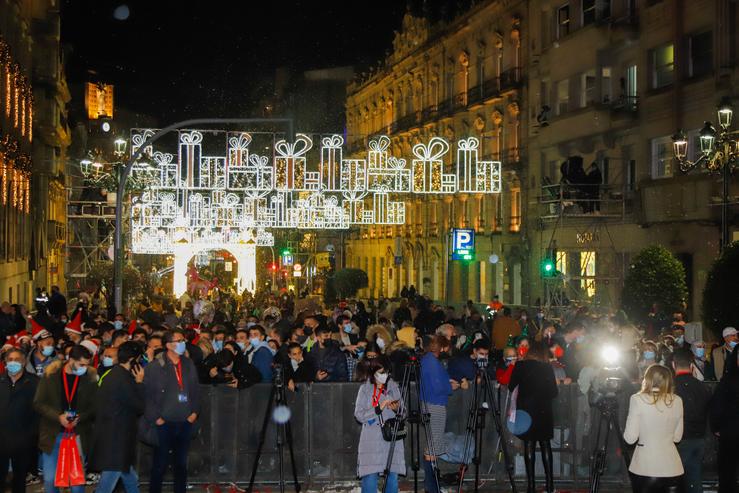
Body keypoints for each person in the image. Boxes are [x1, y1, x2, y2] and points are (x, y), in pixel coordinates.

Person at [33, 345, 97, 493]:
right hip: (53, 433)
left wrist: (81, 417)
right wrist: (58, 417)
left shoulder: (90, 378)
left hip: (78, 434)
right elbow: (38, 403)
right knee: (50, 480)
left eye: (87, 365)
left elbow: (95, 407)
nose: (84, 368)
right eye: (81, 364)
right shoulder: (51, 375)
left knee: (77, 481)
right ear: (70, 359)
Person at [143, 329, 200, 493]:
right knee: (159, 465)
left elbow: (196, 390)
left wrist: (194, 412)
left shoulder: (188, 364)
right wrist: (156, 418)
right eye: (179, 340)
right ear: (168, 345)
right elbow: (147, 395)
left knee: (181, 465)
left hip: (185, 421)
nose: (183, 343)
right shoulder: (155, 367)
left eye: (183, 340)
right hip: (164, 423)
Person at [90, 342, 145, 493]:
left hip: (114, 437)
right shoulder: (123, 379)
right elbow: (139, 406)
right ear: (133, 360)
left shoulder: (113, 375)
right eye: (139, 360)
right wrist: (139, 383)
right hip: (116, 440)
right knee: (107, 484)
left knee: (130, 478)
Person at [623, 365, 684, 493]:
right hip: (673, 468)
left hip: (645, 468)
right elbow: (677, 437)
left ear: (647, 379)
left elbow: (630, 438)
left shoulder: (637, 399)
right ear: (668, 380)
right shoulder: (677, 400)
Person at [508, 341, 558, 493]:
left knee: (528, 445)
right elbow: (554, 392)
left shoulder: (520, 366)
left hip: (526, 412)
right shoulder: (547, 367)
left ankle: (531, 486)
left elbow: (511, 386)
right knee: (545, 445)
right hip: (544, 411)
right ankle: (550, 486)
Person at [354, 357, 405, 493]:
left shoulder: (394, 386)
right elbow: (359, 414)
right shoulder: (365, 389)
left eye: (387, 372)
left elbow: (403, 412)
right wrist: (377, 409)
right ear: (373, 372)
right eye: (382, 372)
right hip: (372, 438)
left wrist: (396, 409)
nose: (385, 376)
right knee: (370, 478)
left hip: (391, 438)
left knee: (392, 477)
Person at [0, 348, 39, 493]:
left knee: (19, 479)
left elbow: (38, 412)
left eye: (17, 359)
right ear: (5, 362)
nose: (13, 363)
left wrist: (32, 435)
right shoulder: (1, 380)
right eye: (10, 359)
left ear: (24, 362)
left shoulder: (34, 383)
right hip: (1, 439)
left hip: (23, 440)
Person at [673, 349, 711, 493]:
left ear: (673, 364)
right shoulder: (703, 386)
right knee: (695, 478)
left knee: (677, 479)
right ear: (691, 365)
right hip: (699, 438)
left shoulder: (671, 386)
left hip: (680, 439)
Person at [420, 335, 452, 493]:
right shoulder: (432, 362)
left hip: (429, 403)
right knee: (433, 446)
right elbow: (438, 386)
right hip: (435, 405)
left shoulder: (427, 360)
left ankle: (431, 486)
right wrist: (451, 386)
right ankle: (432, 488)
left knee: (431, 444)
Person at [709, 344, 739, 493]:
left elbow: (717, 405)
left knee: (728, 471)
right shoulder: (728, 380)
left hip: (730, 432)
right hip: (730, 431)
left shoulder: (728, 380)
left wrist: (716, 427)